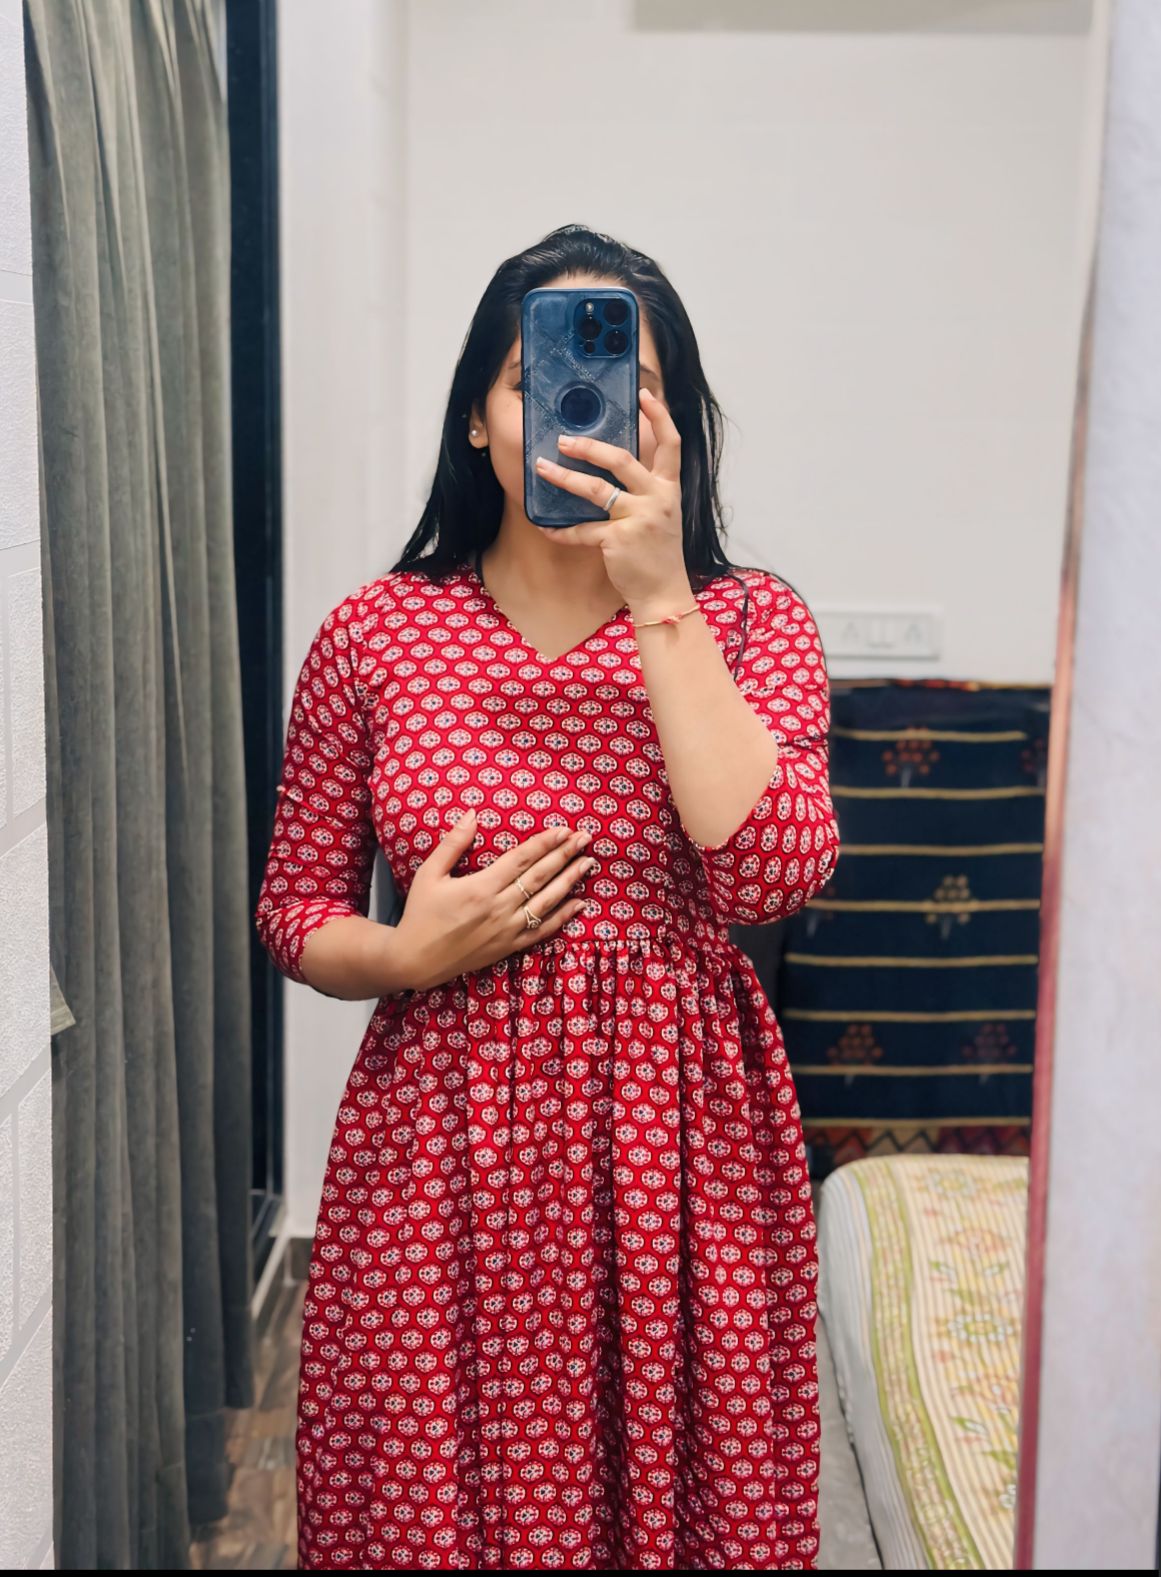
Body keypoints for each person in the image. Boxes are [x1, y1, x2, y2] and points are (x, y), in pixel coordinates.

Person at [255, 223, 841, 1571]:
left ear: (671, 428)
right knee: (431, 1505)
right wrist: (407, 953)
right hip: (437, 1143)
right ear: (478, 417)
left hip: (680, 1147)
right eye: (535, 384)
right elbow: (294, 911)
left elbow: (768, 870)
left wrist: (661, 598)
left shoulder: (751, 624)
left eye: (622, 387)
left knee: (680, 1503)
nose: (575, 414)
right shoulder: (373, 634)